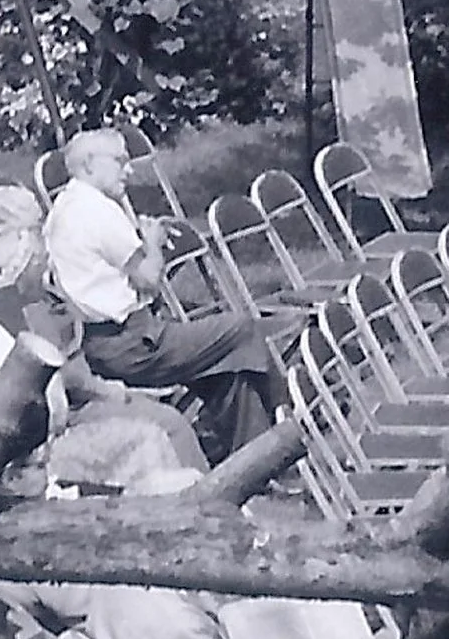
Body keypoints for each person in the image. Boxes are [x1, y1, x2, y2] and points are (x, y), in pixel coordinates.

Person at [42, 129, 280, 464]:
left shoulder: (64, 208)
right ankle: (287, 425)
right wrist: (152, 240)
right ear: (90, 165)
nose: (128, 170)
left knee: (229, 372)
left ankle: (253, 460)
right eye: (120, 161)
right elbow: (149, 279)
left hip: (99, 343)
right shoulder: (97, 212)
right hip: (132, 345)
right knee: (243, 330)